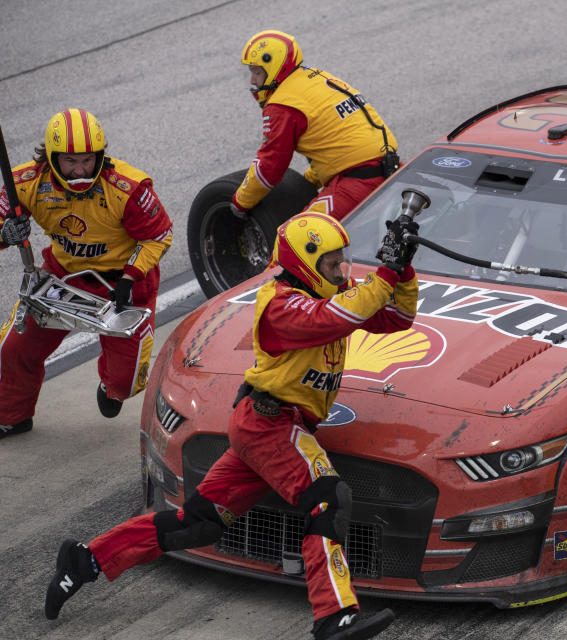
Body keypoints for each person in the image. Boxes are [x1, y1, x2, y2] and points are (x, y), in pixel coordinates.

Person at [44, 210, 420, 640]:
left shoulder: (333, 293)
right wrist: (385, 275)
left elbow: (397, 319)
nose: (341, 273)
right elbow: (338, 317)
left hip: (264, 425)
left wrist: (403, 270)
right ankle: (334, 615)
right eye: (332, 265)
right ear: (303, 266)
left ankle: (86, 559)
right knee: (327, 498)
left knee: (196, 524)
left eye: (343, 262)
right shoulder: (281, 305)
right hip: (273, 424)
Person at [0, 108, 173, 438]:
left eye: (87, 160)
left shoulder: (129, 187)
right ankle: (11, 415)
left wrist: (130, 277)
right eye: (69, 161)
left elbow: (160, 236)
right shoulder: (25, 181)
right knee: (13, 350)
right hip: (63, 278)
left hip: (124, 285)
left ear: (100, 155)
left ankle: (110, 385)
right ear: (52, 158)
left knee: (125, 384)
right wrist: (5, 234)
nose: (80, 170)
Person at [231, 29, 399, 223]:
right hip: (392, 168)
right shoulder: (316, 78)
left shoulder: (282, 104)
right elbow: (334, 138)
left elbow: (269, 165)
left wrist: (239, 202)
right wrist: (309, 180)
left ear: (274, 69)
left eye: (257, 72)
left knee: (293, 240)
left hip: (358, 181)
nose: (253, 81)